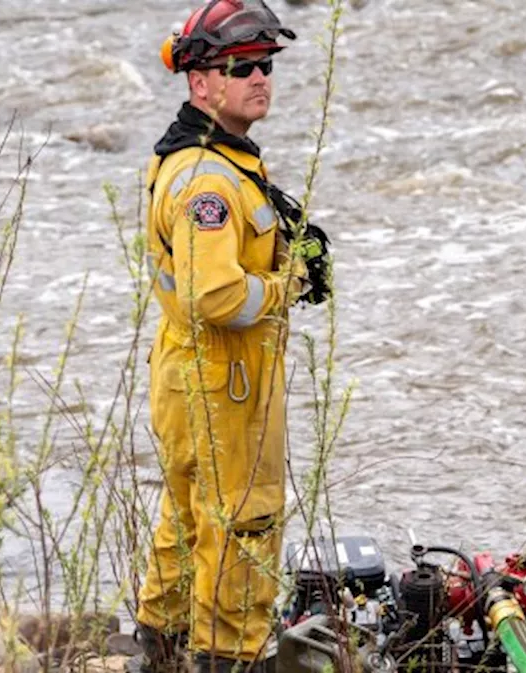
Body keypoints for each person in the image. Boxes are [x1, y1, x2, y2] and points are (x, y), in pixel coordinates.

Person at [129, 1, 328, 671]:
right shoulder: (209, 180)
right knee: (246, 520)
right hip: (225, 378)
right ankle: (229, 660)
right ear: (200, 83)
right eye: (241, 67)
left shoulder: (201, 156)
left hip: (189, 371)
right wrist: (290, 282)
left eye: (265, 63)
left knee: (187, 516)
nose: (259, 76)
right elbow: (217, 295)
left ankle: (156, 650)